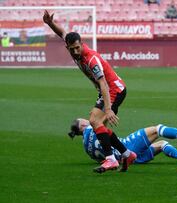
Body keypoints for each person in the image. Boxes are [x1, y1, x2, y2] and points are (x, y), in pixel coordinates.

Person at [43, 10, 136, 173]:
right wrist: (50, 23)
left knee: (94, 121)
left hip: (114, 89)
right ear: (68, 46)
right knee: (98, 124)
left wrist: (108, 109)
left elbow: (104, 85)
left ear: (81, 44)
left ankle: (111, 160)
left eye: (77, 48)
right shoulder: (72, 45)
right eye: (72, 49)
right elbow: (63, 33)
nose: (75, 52)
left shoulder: (91, 59)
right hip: (108, 90)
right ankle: (127, 154)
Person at [68, 118, 177, 165]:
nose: (88, 119)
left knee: (162, 144)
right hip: (126, 146)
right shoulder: (92, 126)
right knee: (157, 129)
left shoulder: (86, 148)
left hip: (126, 160)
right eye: (84, 120)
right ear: (82, 126)